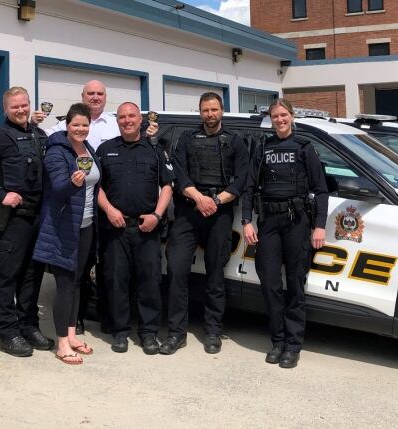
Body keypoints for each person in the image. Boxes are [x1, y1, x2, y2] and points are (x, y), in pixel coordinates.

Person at [45, 80, 157, 335]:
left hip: (96, 216)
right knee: (78, 275)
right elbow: (45, 143)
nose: (95, 97)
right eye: (90, 94)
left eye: (100, 94)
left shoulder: (115, 123)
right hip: (80, 214)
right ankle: (77, 322)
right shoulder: (60, 133)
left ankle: (107, 321)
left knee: (105, 270)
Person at [0, 86, 53, 357]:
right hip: (13, 221)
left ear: (29, 105)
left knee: (31, 276)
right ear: (5, 109)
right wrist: (1, 195)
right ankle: (8, 333)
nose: (20, 110)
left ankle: (28, 325)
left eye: (24, 105)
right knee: (7, 277)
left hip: (37, 218)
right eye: (14, 106)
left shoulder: (39, 135)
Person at [241, 99, 328, 369]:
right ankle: (277, 340)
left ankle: (293, 344)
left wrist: (320, 225)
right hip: (268, 223)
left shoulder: (304, 148)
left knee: (294, 284)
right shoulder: (263, 148)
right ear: (270, 119)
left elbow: (321, 189)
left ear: (292, 116)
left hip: (297, 222)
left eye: (283, 115)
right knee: (269, 282)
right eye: (275, 116)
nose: (279, 119)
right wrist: (246, 221)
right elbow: (248, 187)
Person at [161, 92, 249, 355]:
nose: (210, 114)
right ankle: (177, 332)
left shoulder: (235, 141)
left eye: (214, 110)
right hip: (189, 211)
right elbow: (179, 173)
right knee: (176, 270)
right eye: (205, 110)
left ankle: (213, 331)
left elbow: (241, 180)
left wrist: (215, 202)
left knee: (215, 275)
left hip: (219, 214)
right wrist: (200, 198)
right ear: (200, 112)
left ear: (222, 110)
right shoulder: (188, 139)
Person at [96, 102, 173, 354]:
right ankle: (120, 332)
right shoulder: (106, 149)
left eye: (131, 116)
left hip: (147, 228)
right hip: (116, 228)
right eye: (122, 117)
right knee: (116, 281)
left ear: (140, 119)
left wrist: (157, 215)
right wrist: (109, 209)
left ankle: (148, 333)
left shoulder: (156, 149)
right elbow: (96, 187)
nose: (127, 120)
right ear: (117, 121)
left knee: (149, 282)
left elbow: (168, 186)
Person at [33, 103, 100, 365]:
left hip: (86, 225)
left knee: (77, 282)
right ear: (67, 125)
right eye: (76, 125)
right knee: (63, 285)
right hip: (63, 227)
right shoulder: (57, 151)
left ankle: (72, 334)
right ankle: (62, 343)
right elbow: (57, 188)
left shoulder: (88, 149)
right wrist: (72, 183)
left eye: (84, 125)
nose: (80, 129)